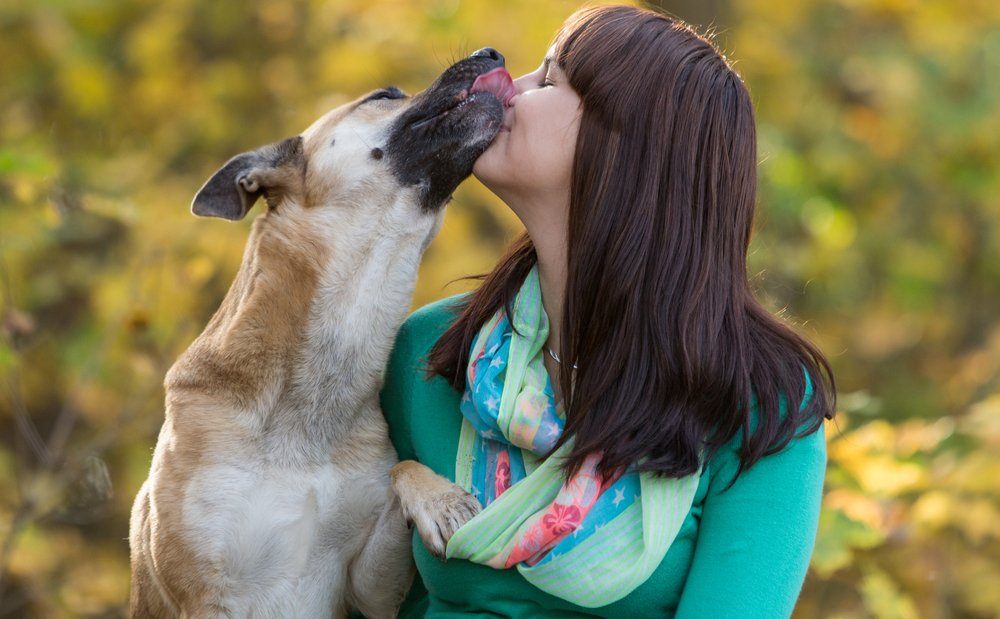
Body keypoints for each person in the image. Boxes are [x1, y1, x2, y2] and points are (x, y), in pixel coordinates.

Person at [380, 4, 836, 617]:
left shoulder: (761, 405)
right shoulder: (431, 355)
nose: (507, 91)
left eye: (548, 79)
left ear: (628, 147)